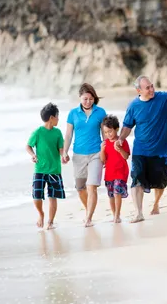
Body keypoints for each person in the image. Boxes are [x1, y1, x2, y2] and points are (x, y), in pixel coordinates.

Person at [116, 75, 167, 223]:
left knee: (160, 182)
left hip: (161, 150)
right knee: (137, 179)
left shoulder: (163, 98)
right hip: (140, 150)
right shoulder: (133, 106)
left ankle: (156, 203)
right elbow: (127, 126)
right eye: (147, 88)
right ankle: (138, 213)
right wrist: (121, 138)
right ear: (139, 90)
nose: (151, 89)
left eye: (152, 86)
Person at [63, 83, 106, 227]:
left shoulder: (100, 112)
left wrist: (106, 153)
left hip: (96, 153)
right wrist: (64, 151)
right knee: (80, 188)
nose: (88, 102)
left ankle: (88, 218)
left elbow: (105, 134)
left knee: (91, 186)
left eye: (90, 99)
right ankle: (89, 209)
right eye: (85, 99)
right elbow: (68, 135)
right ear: (80, 98)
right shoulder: (73, 113)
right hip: (78, 154)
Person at [26, 102, 67, 230]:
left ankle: (50, 221)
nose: (58, 119)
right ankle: (41, 214)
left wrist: (64, 155)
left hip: (54, 169)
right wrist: (33, 155)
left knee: (52, 196)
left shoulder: (58, 133)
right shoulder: (38, 132)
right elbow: (28, 146)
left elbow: (61, 149)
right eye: (57, 116)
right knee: (36, 195)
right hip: (40, 169)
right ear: (51, 118)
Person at [100, 115, 131, 223]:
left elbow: (126, 156)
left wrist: (120, 149)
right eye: (105, 132)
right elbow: (103, 160)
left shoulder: (122, 141)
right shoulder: (105, 143)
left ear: (116, 129)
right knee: (111, 195)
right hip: (109, 173)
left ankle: (117, 215)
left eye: (110, 131)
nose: (108, 134)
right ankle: (114, 215)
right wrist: (102, 150)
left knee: (117, 192)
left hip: (121, 172)